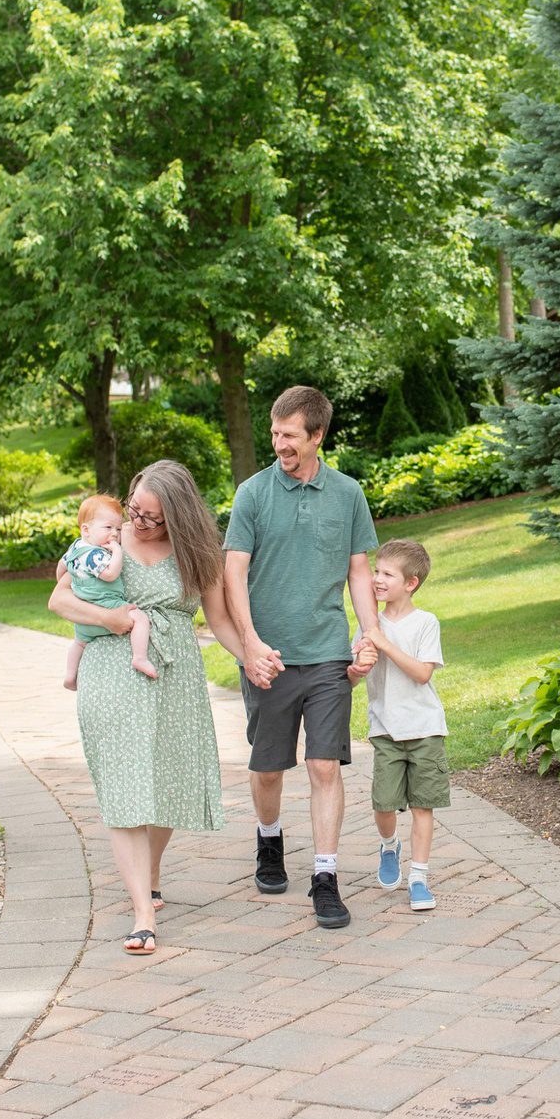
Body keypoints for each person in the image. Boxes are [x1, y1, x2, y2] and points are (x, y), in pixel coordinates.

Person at [48, 460, 244, 956]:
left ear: (176, 515)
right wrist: (110, 618)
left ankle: (150, 871)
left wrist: (252, 658)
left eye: (152, 518)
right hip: (112, 674)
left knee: (170, 784)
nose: (138, 522)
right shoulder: (103, 543)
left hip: (177, 679)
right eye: (135, 511)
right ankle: (141, 916)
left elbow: (220, 622)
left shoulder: (197, 553)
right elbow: (59, 600)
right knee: (126, 790)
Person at [223, 385, 380, 930]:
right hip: (269, 657)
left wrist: (370, 632)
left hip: (328, 653)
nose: (279, 444)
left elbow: (359, 570)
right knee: (269, 768)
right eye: (274, 433)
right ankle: (269, 839)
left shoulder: (348, 493)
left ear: (317, 436)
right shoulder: (253, 494)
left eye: (289, 435)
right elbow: (233, 573)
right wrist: (249, 643)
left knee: (322, 765)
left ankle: (326, 877)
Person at [350, 539, 447, 912]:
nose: (377, 579)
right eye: (376, 571)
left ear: (411, 583)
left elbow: (423, 673)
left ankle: (419, 878)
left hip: (425, 729)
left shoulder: (425, 623)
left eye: (387, 574)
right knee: (384, 804)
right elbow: (353, 678)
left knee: (424, 806)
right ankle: (390, 845)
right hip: (386, 730)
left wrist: (384, 644)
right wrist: (357, 667)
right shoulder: (367, 625)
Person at [60, 494, 157, 691]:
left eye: (118, 529)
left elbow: (61, 567)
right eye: (108, 528)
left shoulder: (75, 548)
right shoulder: (97, 555)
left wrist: (69, 576)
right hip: (107, 605)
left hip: (85, 620)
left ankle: (70, 676)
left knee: (79, 643)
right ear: (86, 530)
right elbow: (111, 574)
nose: (114, 534)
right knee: (140, 619)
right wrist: (117, 552)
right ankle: (140, 658)